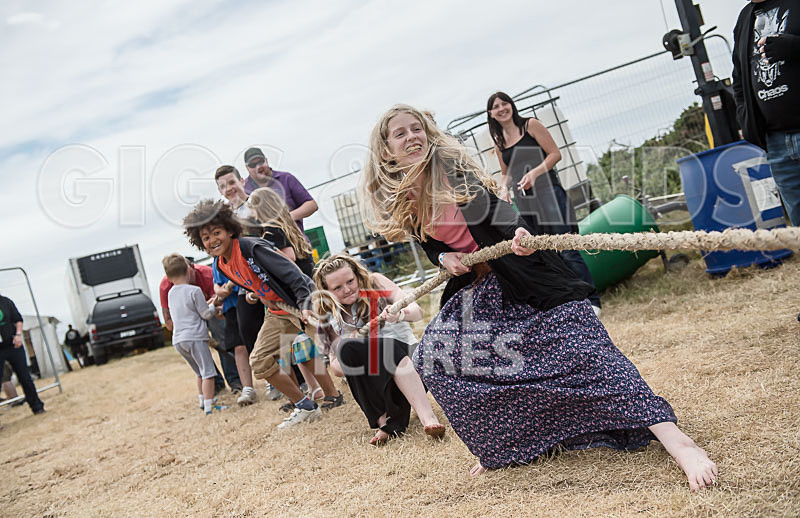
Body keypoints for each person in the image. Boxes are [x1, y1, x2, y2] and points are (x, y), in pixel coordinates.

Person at [360, 104, 718, 491]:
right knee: (436, 359)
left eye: (417, 129)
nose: (412, 136)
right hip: (481, 285)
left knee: (586, 350)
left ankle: (676, 440)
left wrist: (518, 234)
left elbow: (497, 212)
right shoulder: (402, 197)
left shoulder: (452, 173)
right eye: (401, 133)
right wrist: (444, 257)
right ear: (386, 150)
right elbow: (430, 244)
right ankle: (508, 446)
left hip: (524, 270)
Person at [183, 199, 328, 430]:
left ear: (230, 230)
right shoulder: (220, 264)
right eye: (206, 238)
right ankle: (306, 406)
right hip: (277, 312)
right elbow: (253, 280)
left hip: (301, 303)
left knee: (337, 348)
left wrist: (304, 303)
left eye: (216, 232)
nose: (212, 240)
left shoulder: (251, 247)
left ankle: (372, 378)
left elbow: (292, 273)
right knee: (259, 362)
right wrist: (257, 294)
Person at [486, 91, 601, 314]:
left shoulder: (530, 125)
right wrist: (503, 189)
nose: (501, 108)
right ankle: (569, 301)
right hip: (525, 201)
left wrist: (535, 174)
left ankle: (592, 300)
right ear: (490, 113)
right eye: (496, 106)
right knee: (542, 252)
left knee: (566, 247)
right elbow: (505, 172)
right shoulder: (498, 141)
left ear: (512, 105)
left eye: (504, 103)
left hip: (549, 192)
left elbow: (555, 154)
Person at [313, 254, 445, 445]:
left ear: (358, 275)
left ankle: (427, 418)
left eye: (350, 281)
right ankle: (385, 421)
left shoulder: (376, 282)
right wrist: (353, 346)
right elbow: (336, 368)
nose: (347, 289)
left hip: (410, 364)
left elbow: (418, 312)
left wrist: (399, 314)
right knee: (349, 349)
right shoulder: (328, 314)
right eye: (337, 288)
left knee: (387, 347)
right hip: (378, 380)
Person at [246, 186, 343, 410]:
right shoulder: (283, 228)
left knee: (305, 349)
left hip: (296, 299)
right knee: (291, 350)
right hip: (295, 297)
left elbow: (287, 259)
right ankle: (308, 392)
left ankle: (331, 391)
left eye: (252, 209)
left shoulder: (272, 231)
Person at [733, 0, 800, 226]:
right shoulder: (745, 19)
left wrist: (793, 47)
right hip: (777, 143)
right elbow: (739, 79)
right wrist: (746, 119)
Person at [159, 257, 242, 394]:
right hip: (196, 319)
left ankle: (234, 382)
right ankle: (215, 386)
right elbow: (168, 320)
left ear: (193, 268)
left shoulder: (207, 274)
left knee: (222, 341)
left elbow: (219, 304)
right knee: (201, 359)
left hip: (209, 312)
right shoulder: (165, 286)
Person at [162, 254, 227, 415]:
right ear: (187, 270)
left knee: (199, 372)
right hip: (195, 337)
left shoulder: (170, 293)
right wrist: (215, 308)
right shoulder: (194, 290)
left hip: (178, 340)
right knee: (208, 372)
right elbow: (205, 314)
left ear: (168, 276)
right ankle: (209, 406)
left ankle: (201, 400)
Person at [211, 267, 257, 407]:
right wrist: (218, 291)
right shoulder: (215, 263)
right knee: (239, 347)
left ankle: (272, 382)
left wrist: (225, 288)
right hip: (230, 308)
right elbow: (217, 284)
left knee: (258, 343)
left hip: (247, 302)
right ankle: (247, 388)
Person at [242, 147, 318, 232]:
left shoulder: (286, 178)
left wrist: (286, 218)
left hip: (295, 239)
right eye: (253, 165)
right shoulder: (243, 189)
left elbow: (311, 205)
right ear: (247, 167)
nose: (258, 167)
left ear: (266, 160)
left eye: (260, 162)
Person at [0, 294, 45, 414]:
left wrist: (18, 335)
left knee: (25, 377)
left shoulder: (5, 302)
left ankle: (37, 406)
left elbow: (18, 320)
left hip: (13, 345)